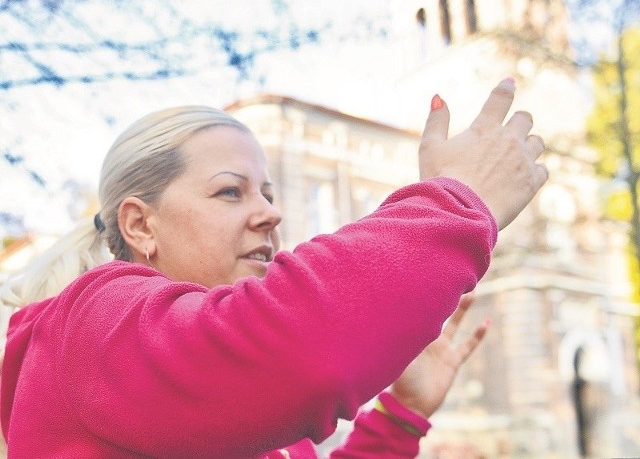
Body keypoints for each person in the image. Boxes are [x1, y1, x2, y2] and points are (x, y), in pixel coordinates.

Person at [0, 78, 547, 458]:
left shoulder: (216, 380)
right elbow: (304, 349)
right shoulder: (94, 325)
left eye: (267, 191)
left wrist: (400, 419)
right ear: (141, 225)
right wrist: (457, 203)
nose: (271, 213)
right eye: (230, 191)